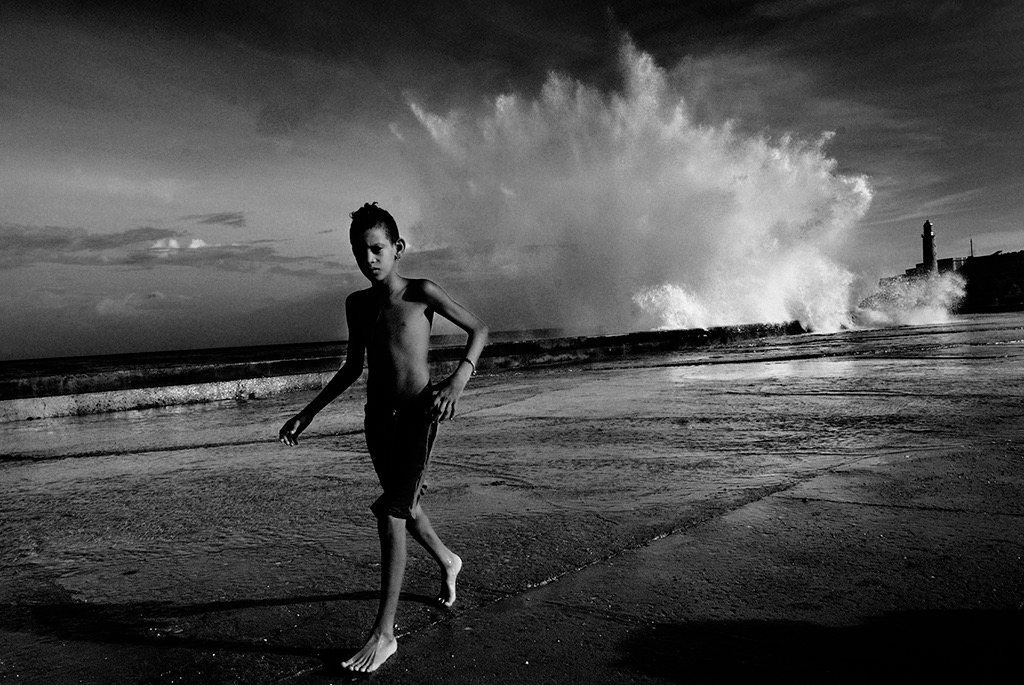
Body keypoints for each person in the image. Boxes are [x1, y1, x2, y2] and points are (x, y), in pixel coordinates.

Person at [279, 202, 488, 673]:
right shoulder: (357, 304)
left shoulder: (421, 292)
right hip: (378, 419)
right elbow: (353, 367)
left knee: (391, 512)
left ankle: (384, 633)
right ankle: (448, 560)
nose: (368, 259)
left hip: (418, 415)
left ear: (397, 249)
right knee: (406, 504)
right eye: (360, 251)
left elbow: (479, 329)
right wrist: (308, 413)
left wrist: (457, 381)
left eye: (377, 249)